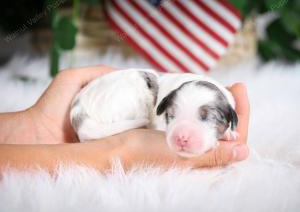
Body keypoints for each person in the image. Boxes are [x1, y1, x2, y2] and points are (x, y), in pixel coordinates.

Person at [0, 66, 250, 173]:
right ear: (166, 106)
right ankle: (95, 131)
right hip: (93, 112)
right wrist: (118, 150)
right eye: (171, 117)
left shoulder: (225, 105)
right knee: (142, 85)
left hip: (93, 111)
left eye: (205, 119)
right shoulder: (161, 92)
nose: (182, 134)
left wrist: (38, 125)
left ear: (230, 119)